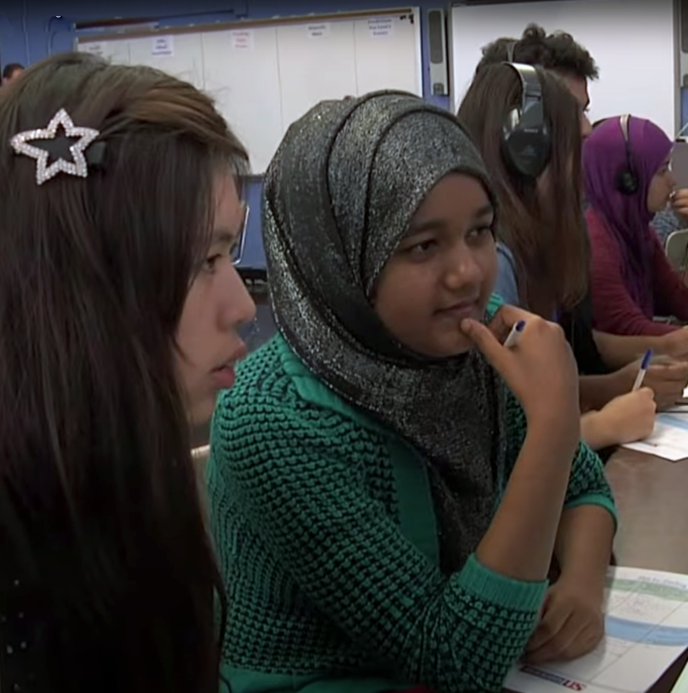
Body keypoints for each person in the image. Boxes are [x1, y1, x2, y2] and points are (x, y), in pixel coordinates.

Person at [209, 91, 616, 693]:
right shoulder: (272, 420)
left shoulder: (479, 339)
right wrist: (553, 424)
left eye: (480, 233)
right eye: (423, 245)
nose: (469, 273)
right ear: (341, 259)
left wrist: (581, 583)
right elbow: (448, 657)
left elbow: (581, 485)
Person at [0, 52, 256, 693]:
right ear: (77, 285)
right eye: (204, 259)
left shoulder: (114, 441)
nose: (243, 305)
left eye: (231, 249)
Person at [474, 26, 688, 409]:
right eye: (568, 111)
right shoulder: (496, 256)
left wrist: (646, 361)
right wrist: (607, 413)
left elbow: (577, 349)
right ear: (523, 136)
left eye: (584, 110)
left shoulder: (554, 235)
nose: (587, 128)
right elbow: (509, 416)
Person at [458, 63, 656, 448]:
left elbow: (535, 392)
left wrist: (611, 390)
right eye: (573, 138)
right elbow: (496, 442)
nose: (587, 130)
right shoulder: (493, 262)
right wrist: (603, 426)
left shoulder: (526, 246)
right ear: (527, 154)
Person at [584, 115, 688, 336]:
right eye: (662, 170)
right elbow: (631, 331)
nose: (672, 180)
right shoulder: (595, 242)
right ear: (628, 181)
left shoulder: (639, 233)